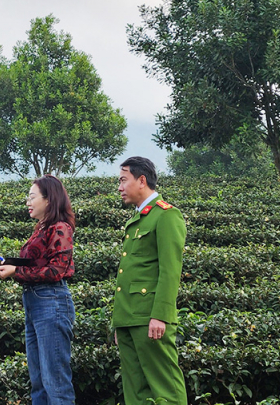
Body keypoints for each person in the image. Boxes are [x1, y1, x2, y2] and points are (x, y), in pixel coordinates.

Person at [0, 174, 76, 405]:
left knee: (55, 381)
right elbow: (39, 263)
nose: (28, 202)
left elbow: (56, 270)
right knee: (38, 380)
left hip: (52, 301)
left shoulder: (60, 227)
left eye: (32, 197)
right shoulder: (42, 227)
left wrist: (15, 272)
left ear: (49, 200)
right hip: (36, 302)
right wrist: (12, 265)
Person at [113, 156, 187, 404]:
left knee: (166, 388)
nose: (120, 187)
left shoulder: (166, 215)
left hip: (149, 317)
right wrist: (120, 322)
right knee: (136, 392)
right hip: (129, 318)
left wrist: (161, 315)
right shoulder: (136, 220)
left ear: (141, 180)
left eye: (124, 180)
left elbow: (170, 271)